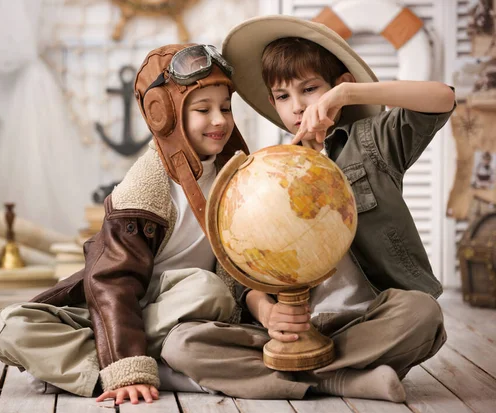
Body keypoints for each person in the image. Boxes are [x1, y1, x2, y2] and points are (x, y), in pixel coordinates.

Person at [159, 15, 455, 403]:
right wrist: (266, 312)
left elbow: (443, 97)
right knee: (182, 343)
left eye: (310, 89)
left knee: (423, 315)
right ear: (272, 103)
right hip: (294, 330)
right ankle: (343, 381)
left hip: (369, 323)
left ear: (339, 85)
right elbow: (248, 268)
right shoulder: (265, 169)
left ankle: (297, 377)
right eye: (283, 96)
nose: (297, 106)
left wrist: (347, 97)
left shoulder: (373, 143)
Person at [0, 43, 250, 405]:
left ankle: (75, 370)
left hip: (189, 307)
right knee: (4, 329)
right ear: (163, 114)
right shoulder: (144, 186)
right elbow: (112, 283)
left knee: (210, 289)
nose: (219, 120)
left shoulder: (239, 173)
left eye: (225, 108)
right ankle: (138, 368)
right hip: (123, 308)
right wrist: (127, 365)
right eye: (203, 109)